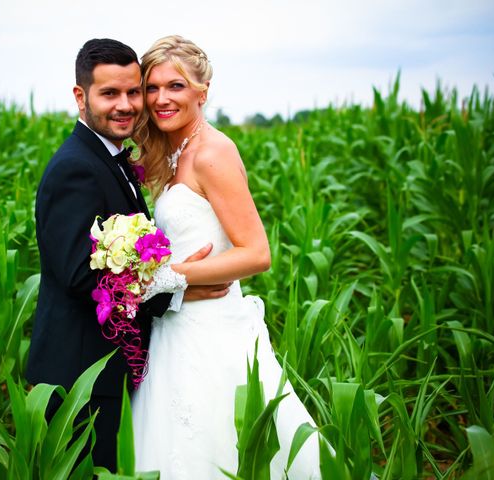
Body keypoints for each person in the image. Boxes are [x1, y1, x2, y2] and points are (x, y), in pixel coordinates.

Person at [25, 38, 229, 471]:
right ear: (81, 96)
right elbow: (83, 277)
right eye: (109, 94)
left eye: (133, 92)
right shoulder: (76, 167)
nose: (127, 105)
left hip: (107, 370)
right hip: (80, 378)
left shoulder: (112, 158)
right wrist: (175, 287)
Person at [131, 35, 322, 478]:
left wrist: (169, 276)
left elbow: (257, 253)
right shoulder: (177, 150)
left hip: (211, 328)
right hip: (178, 324)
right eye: (153, 87)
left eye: (175, 86)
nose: (161, 99)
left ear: (203, 90)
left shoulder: (212, 152)